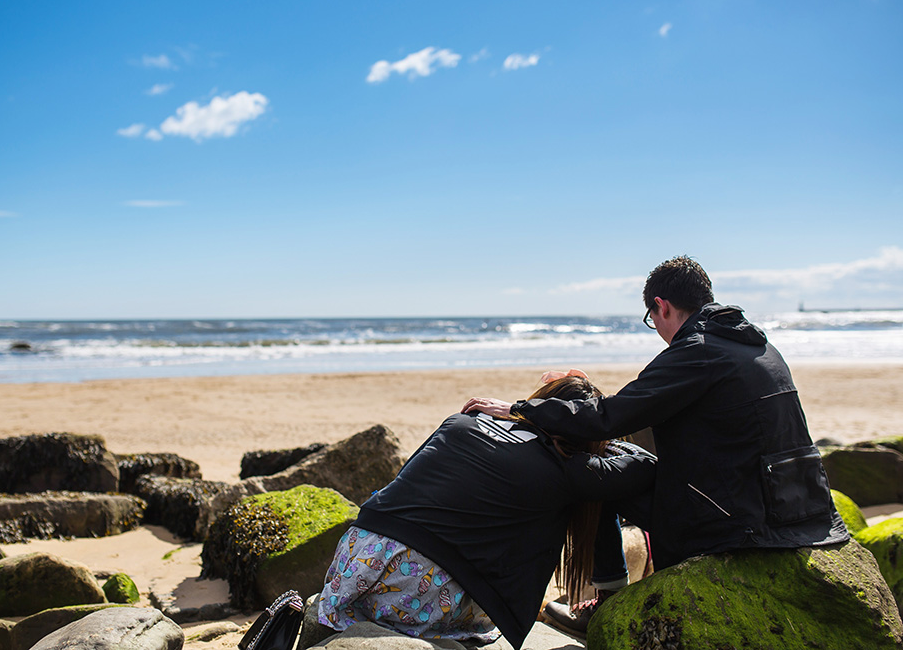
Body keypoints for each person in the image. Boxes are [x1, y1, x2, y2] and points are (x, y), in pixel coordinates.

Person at [463, 255, 850, 634]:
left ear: (661, 307)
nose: (657, 329)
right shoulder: (756, 345)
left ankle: (606, 601)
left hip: (742, 523)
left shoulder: (696, 351)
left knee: (593, 473)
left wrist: (521, 409)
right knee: (625, 458)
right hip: (797, 506)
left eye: (652, 319)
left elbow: (610, 417)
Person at [317, 374, 656, 650]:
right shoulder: (567, 469)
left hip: (354, 562)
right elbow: (644, 462)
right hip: (417, 589)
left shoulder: (461, 421)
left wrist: (521, 410)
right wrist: (598, 429)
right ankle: (609, 591)